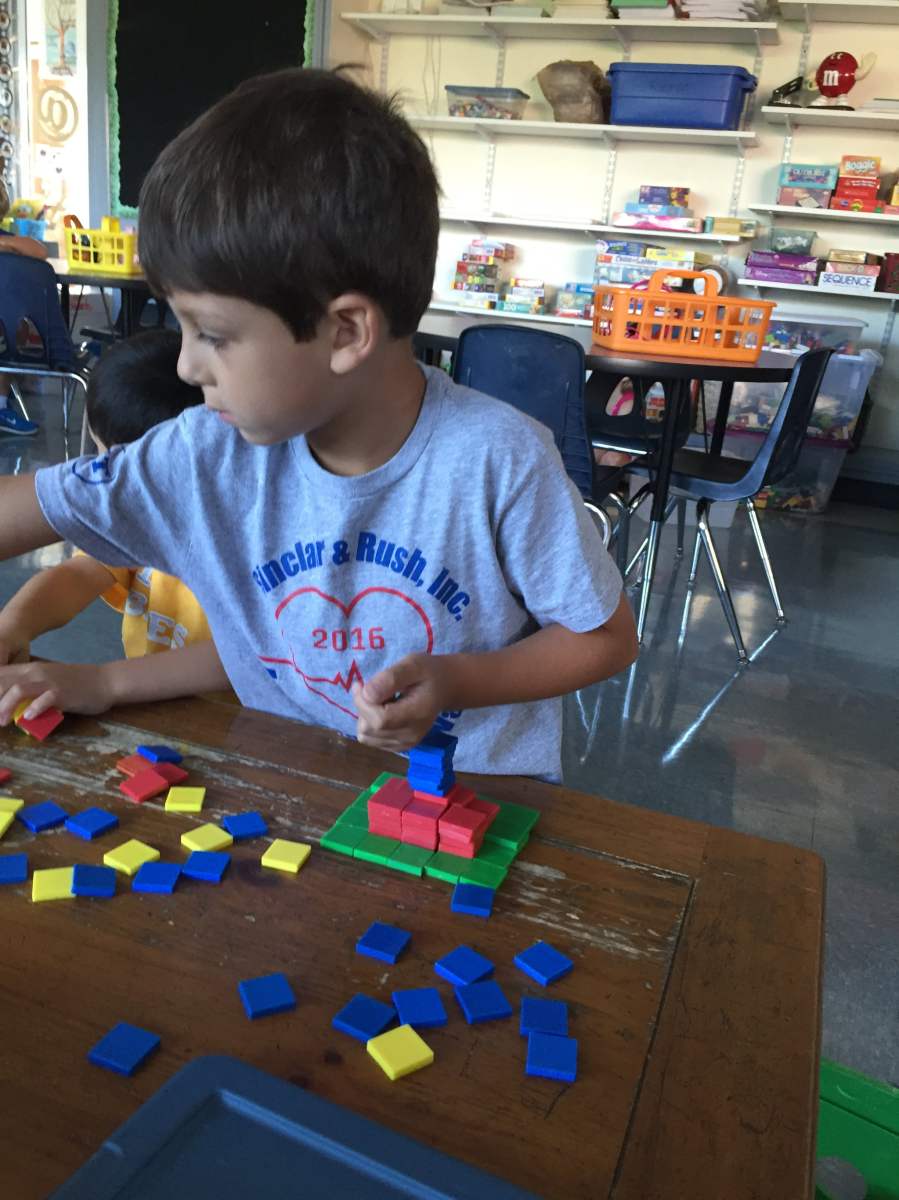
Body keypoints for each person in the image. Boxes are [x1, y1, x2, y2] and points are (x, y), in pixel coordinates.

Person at [0, 67, 638, 779]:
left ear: (345, 332)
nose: (186, 367)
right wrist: (102, 680)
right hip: (297, 789)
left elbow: (604, 638)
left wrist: (457, 681)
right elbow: (38, 509)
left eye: (212, 334)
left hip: (473, 804)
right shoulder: (207, 452)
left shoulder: (499, 460)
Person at [0, 329, 218, 707]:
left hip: (243, 723)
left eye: (111, 466)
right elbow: (80, 573)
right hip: (151, 705)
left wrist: (103, 682)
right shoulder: (131, 515)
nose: (104, 486)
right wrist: (13, 626)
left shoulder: (240, 537)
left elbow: (247, 655)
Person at [0, 177, 52, 436]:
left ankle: (1, 403)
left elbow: (40, 251)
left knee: (13, 326)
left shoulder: (7, 240)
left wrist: (4, 243)